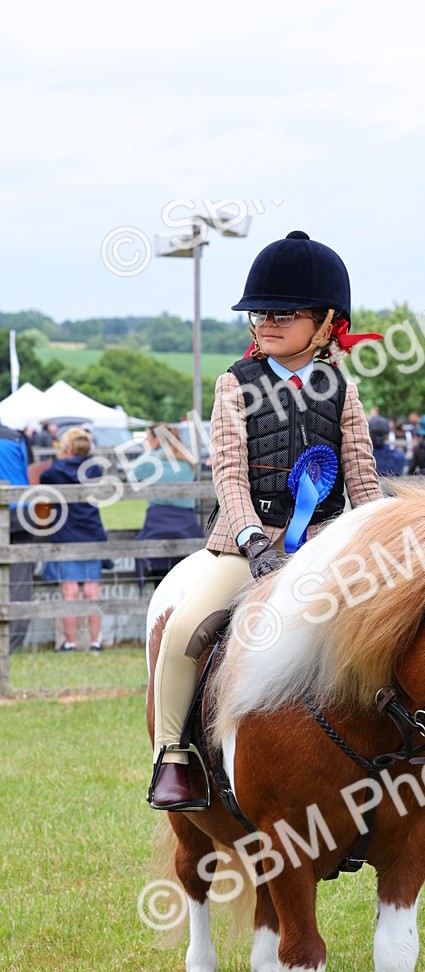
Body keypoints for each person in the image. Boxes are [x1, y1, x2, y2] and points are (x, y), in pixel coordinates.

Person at [148, 230, 384, 811]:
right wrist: (254, 541)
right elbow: (227, 472)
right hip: (243, 546)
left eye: (285, 313)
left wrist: (382, 535)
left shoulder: (342, 391)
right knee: (183, 630)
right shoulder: (234, 385)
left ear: (328, 322)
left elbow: (364, 476)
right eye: (259, 314)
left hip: (326, 548)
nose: (267, 323)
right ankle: (174, 757)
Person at [40, 427, 107, 651]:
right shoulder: (94, 469)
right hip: (92, 533)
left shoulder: (55, 470)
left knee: (69, 592)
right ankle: (96, 642)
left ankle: (69, 643)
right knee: (92, 591)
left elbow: (42, 479)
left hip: (66, 533)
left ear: (67, 447)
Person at [130, 425, 204, 590]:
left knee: (160, 581)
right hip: (186, 524)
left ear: (155, 440)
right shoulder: (188, 461)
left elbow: (133, 475)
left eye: (148, 439)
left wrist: (148, 451)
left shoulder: (152, 460)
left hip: (158, 522)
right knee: (185, 580)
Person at [0, 421, 34, 651]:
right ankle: (13, 642)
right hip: (20, 512)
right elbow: (28, 471)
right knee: (20, 581)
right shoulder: (16, 437)